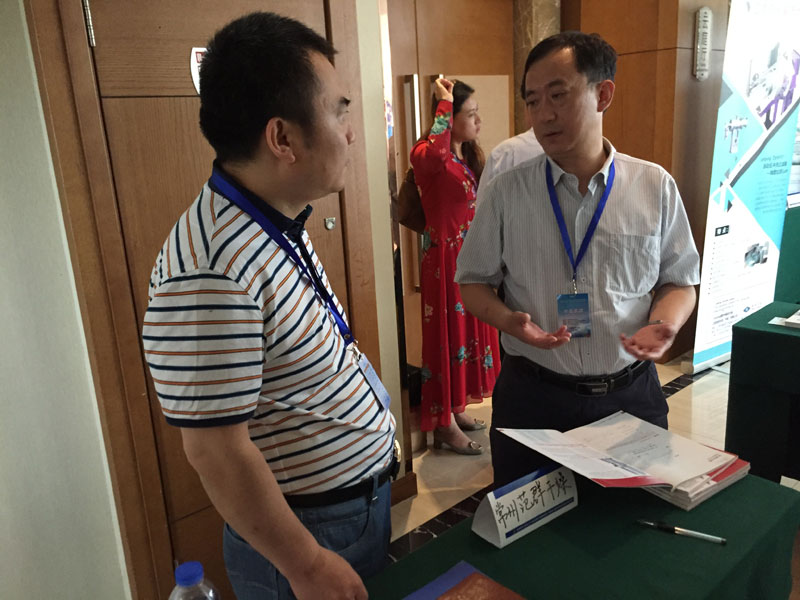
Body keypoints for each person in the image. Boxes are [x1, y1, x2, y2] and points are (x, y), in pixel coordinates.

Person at [141, 12, 396, 600]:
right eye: (339, 111)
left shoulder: (271, 219)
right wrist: (306, 564)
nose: (350, 133)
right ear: (282, 138)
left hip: (345, 512)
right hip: (307, 537)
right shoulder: (210, 270)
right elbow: (214, 450)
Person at [455, 32, 700, 487]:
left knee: (629, 521)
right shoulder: (507, 192)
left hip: (630, 398)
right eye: (532, 101)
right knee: (532, 526)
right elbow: (472, 281)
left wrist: (665, 322)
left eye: (558, 95)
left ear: (602, 94)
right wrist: (508, 321)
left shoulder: (654, 186)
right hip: (533, 400)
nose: (543, 114)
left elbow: (679, 280)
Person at [409, 79, 502, 455]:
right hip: (444, 263)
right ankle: (443, 423)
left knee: (465, 336)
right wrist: (444, 103)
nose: (478, 120)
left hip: (469, 257)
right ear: (447, 118)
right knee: (446, 338)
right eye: (471, 113)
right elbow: (434, 154)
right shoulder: (427, 155)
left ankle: (455, 406)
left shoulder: (464, 157)